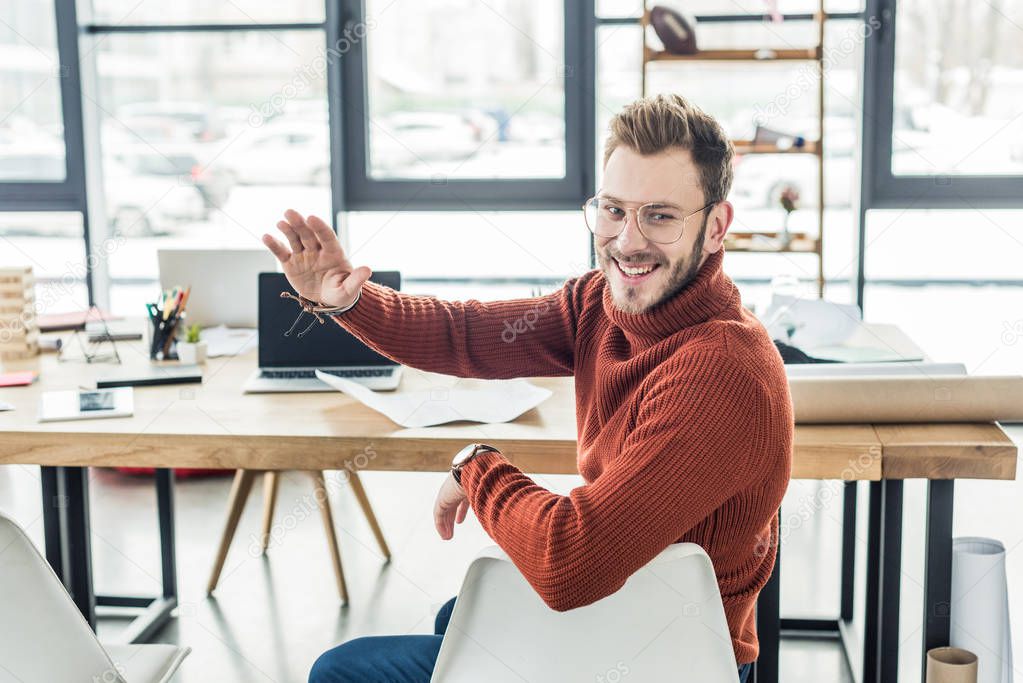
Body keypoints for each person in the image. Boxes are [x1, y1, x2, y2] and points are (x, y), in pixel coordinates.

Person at [263, 93, 793, 683]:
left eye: (661, 216)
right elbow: (465, 335)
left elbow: (569, 562)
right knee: (456, 617)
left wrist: (477, 467)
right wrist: (351, 301)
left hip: (667, 660)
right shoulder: (600, 303)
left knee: (339, 671)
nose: (628, 241)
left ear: (716, 226)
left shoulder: (722, 370)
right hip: (626, 613)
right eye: (614, 210)